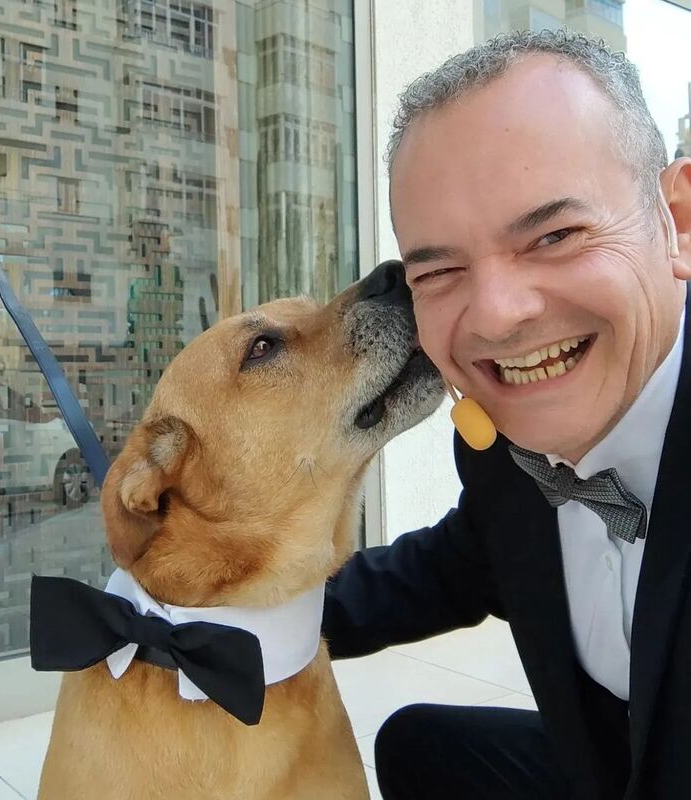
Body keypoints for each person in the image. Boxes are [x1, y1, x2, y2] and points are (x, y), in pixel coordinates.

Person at [322, 30, 691, 800]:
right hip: (611, 761)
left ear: (678, 223)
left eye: (553, 235)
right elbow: (448, 568)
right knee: (419, 747)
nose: (494, 316)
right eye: (439, 269)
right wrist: (205, 618)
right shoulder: (502, 452)